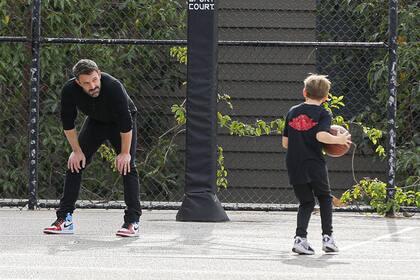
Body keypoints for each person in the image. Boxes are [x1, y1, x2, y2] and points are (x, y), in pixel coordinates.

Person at [43, 59, 141, 237]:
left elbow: (126, 124)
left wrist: (125, 153)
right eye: (87, 83)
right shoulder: (69, 90)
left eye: (95, 79)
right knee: (75, 163)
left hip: (121, 123)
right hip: (96, 121)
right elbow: (67, 123)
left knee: (128, 166)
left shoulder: (113, 87)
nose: (93, 85)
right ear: (78, 82)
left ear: (99, 73)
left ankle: (132, 221)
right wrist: (77, 151)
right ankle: (65, 219)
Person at [282, 74, 351, 254]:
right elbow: (320, 136)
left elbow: (285, 143)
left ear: (304, 92)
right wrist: (339, 138)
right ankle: (327, 238)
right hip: (313, 163)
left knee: (306, 202)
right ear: (326, 97)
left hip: (293, 162)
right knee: (325, 198)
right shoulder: (323, 113)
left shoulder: (292, 111)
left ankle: (300, 239)